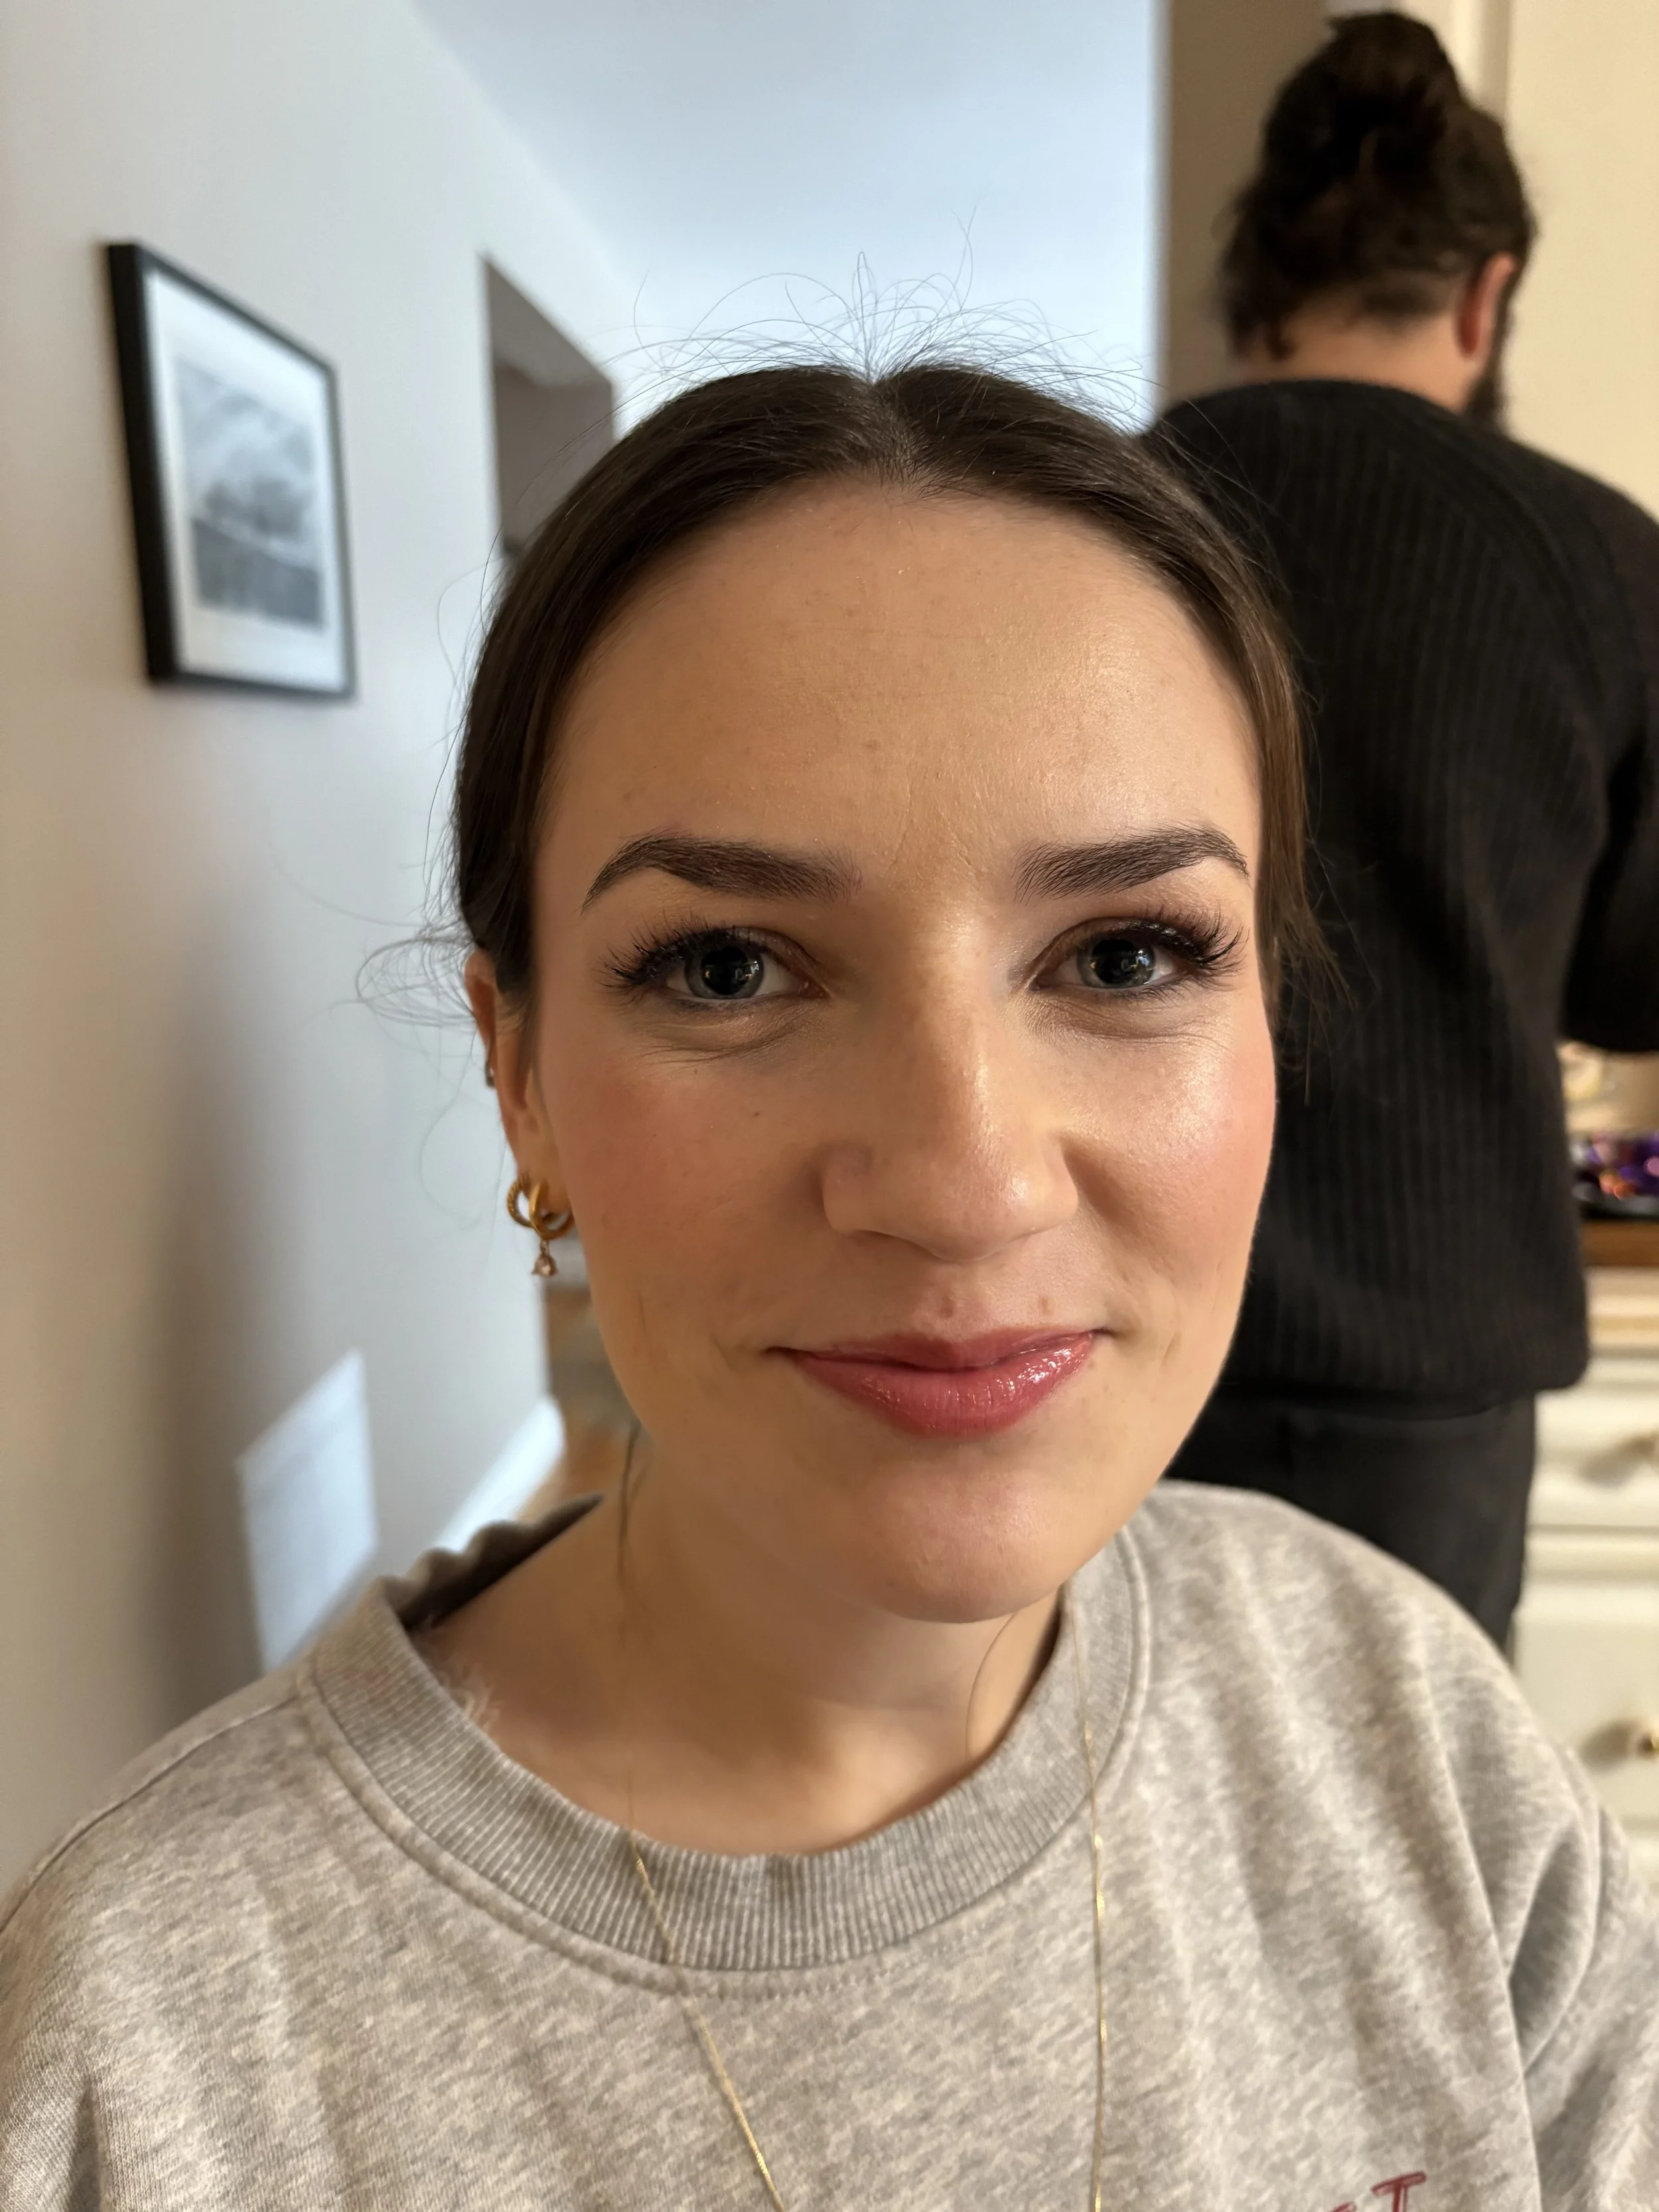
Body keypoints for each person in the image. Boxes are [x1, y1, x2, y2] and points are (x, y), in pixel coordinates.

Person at [3, 361, 1656, 2209]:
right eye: (725, 968)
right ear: (520, 1070)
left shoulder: (1413, 1743)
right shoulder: (147, 2051)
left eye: (1123, 952)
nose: (962, 1185)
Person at [1153, 12, 1659, 1646]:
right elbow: (1638, 982)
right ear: (1484, 289)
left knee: (1107, 1839)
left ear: (1260, 278)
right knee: (1412, 1860)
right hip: (1436, 1362)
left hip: (1121, 1318)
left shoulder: (1097, 518)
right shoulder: (1595, 562)